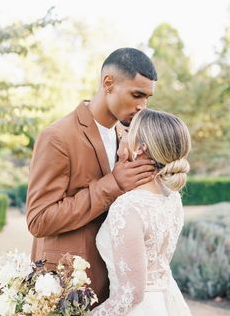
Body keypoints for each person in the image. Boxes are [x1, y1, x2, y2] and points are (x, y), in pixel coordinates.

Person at [26, 47, 157, 305]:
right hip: (67, 289)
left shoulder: (129, 137)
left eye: (147, 98)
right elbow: (38, 219)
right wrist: (113, 185)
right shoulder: (58, 137)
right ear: (108, 83)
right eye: (137, 95)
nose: (143, 106)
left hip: (117, 286)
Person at [90, 109, 192, 315]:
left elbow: (132, 293)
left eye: (128, 131)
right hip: (166, 302)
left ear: (141, 147)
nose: (123, 135)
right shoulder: (172, 197)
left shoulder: (129, 206)